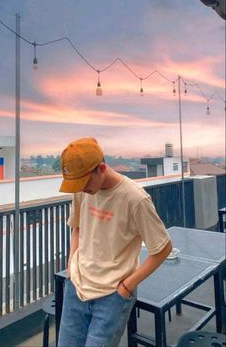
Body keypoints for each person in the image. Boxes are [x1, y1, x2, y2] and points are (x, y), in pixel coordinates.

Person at [58, 137, 172, 347]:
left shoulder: (135, 199)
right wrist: (71, 265)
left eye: (84, 183)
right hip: (76, 286)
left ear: (101, 168)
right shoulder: (82, 192)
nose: (81, 189)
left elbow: (163, 248)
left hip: (111, 296)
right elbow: (77, 226)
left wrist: (126, 287)